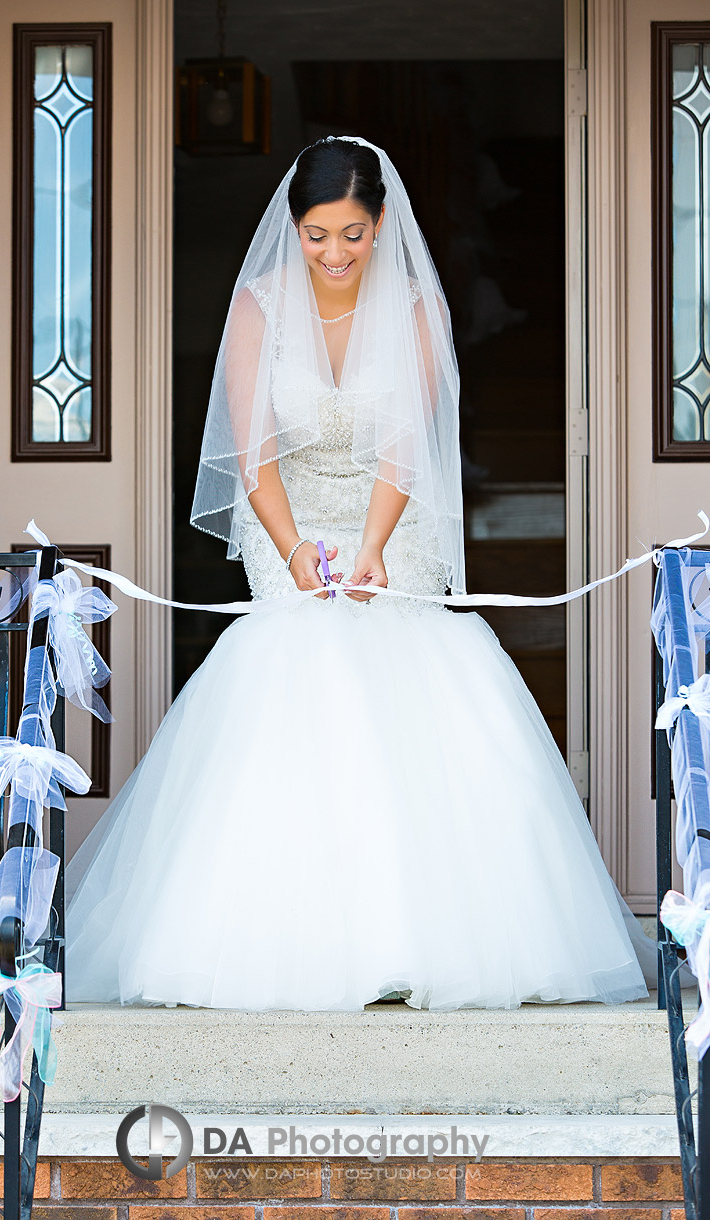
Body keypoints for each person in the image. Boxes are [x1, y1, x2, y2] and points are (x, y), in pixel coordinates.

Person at [64, 136, 657, 1011]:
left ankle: (425, 938)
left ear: (379, 226)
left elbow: (407, 447)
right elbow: (252, 456)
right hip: (288, 522)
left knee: (406, 675)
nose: (334, 254)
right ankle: (280, 936)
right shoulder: (258, 308)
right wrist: (297, 548)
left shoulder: (415, 307)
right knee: (297, 672)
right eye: (315, 235)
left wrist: (375, 544)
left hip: (392, 523)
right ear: (293, 231)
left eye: (350, 233)